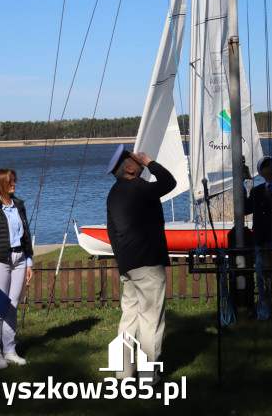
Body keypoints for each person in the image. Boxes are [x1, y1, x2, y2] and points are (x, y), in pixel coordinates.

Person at [106, 144, 176, 383]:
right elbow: (169, 183)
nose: (137, 159)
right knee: (150, 320)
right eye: (133, 159)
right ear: (129, 168)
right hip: (147, 263)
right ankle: (149, 376)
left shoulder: (114, 193)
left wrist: (122, 260)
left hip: (128, 265)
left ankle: (123, 373)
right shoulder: (138, 187)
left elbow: (112, 231)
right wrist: (150, 162)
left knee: (129, 318)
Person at [0, 168, 34, 369]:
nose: (15, 184)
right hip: (0, 261)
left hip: (20, 260)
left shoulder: (18, 206)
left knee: (12, 306)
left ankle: (10, 350)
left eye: (15, 181)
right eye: (11, 182)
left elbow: (25, 236)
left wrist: (28, 262)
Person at [245, 155, 272, 315]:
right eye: (265, 166)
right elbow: (245, 209)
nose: (269, 169)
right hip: (261, 239)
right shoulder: (257, 191)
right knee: (263, 277)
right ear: (261, 172)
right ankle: (264, 310)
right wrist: (242, 188)